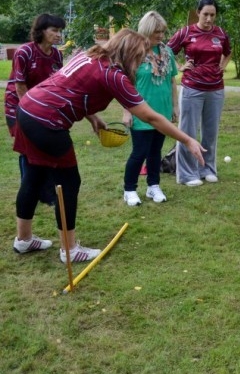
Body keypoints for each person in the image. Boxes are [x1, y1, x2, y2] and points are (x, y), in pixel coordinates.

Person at [12, 29, 206, 263]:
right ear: (130, 53)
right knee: (69, 182)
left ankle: (23, 240)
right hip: (47, 122)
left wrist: (92, 117)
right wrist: (187, 139)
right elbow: (151, 117)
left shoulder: (89, 56)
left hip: (27, 109)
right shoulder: (113, 75)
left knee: (33, 175)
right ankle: (70, 250)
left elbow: (69, 88)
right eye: (141, 55)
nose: (142, 60)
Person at [168, 0, 232, 186]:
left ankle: (208, 169)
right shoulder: (187, 32)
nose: (209, 19)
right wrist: (180, 66)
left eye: (213, 15)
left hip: (216, 89)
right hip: (192, 88)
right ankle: (187, 174)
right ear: (198, 13)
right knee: (188, 131)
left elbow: (228, 52)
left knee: (210, 132)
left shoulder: (220, 33)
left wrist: (223, 66)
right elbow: (166, 51)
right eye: (205, 14)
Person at [4, 13, 67, 206]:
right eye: (54, 30)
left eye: (60, 31)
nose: (58, 35)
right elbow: (20, 87)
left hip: (43, 109)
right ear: (41, 31)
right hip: (19, 107)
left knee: (45, 147)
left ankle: (45, 192)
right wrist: (30, 113)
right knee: (27, 149)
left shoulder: (57, 54)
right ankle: (28, 190)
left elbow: (58, 83)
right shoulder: (25, 52)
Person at [121, 11, 179, 206]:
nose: (161, 35)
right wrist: (127, 111)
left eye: (162, 32)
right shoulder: (134, 52)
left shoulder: (166, 52)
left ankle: (153, 186)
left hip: (162, 111)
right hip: (141, 112)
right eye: (156, 31)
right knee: (140, 152)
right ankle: (129, 189)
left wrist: (174, 106)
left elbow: (171, 81)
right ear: (146, 30)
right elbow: (125, 84)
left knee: (156, 151)